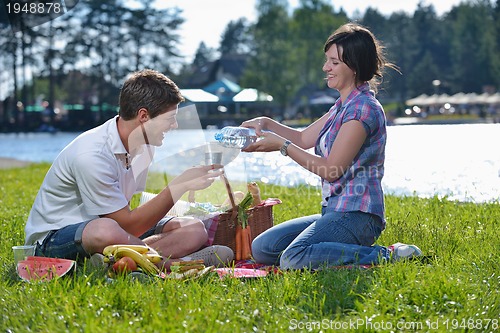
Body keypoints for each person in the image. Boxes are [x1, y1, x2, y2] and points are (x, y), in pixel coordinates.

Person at [241, 23, 422, 270]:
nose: (326, 68)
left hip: (358, 216)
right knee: (262, 248)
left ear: (355, 66)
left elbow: (331, 170)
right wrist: (267, 123)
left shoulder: (362, 109)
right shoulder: (342, 105)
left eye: (334, 63)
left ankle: (388, 255)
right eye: (327, 60)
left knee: (292, 258)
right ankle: (338, 253)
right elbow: (304, 138)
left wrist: (282, 146)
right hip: (334, 212)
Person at [25, 69, 233, 268]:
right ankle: (170, 266)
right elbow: (126, 226)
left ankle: (120, 262)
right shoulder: (92, 155)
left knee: (193, 227)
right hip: (56, 238)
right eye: (170, 119)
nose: (174, 126)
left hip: (112, 228)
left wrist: (185, 187)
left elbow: (128, 219)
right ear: (143, 115)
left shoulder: (143, 147)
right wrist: (178, 186)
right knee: (105, 230)